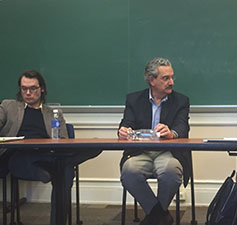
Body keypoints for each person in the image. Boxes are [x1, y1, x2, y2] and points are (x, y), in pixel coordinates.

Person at [0, 70, 100, 225]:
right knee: (63, 169)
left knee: (73, 162)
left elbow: (64, 140)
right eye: (23, 88)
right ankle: (54, 168)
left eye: (32, 88)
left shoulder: (53, 113)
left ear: (42, 89)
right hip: (18, 156)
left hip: (48, 154)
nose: (28, 93)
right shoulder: (8, 106)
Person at [118, 57, 191, 225]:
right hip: (140, 152)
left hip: (168, 152)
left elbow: (182, 127)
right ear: (152, 80)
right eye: (166, 78)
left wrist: (171, 133)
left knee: (171, 171)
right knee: (129, 171)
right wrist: (123, 130)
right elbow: (127, 123)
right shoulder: (133, 100)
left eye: (172, 77)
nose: (171, 82)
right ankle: (159, 216)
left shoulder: (181, 101)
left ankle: (153, 218)